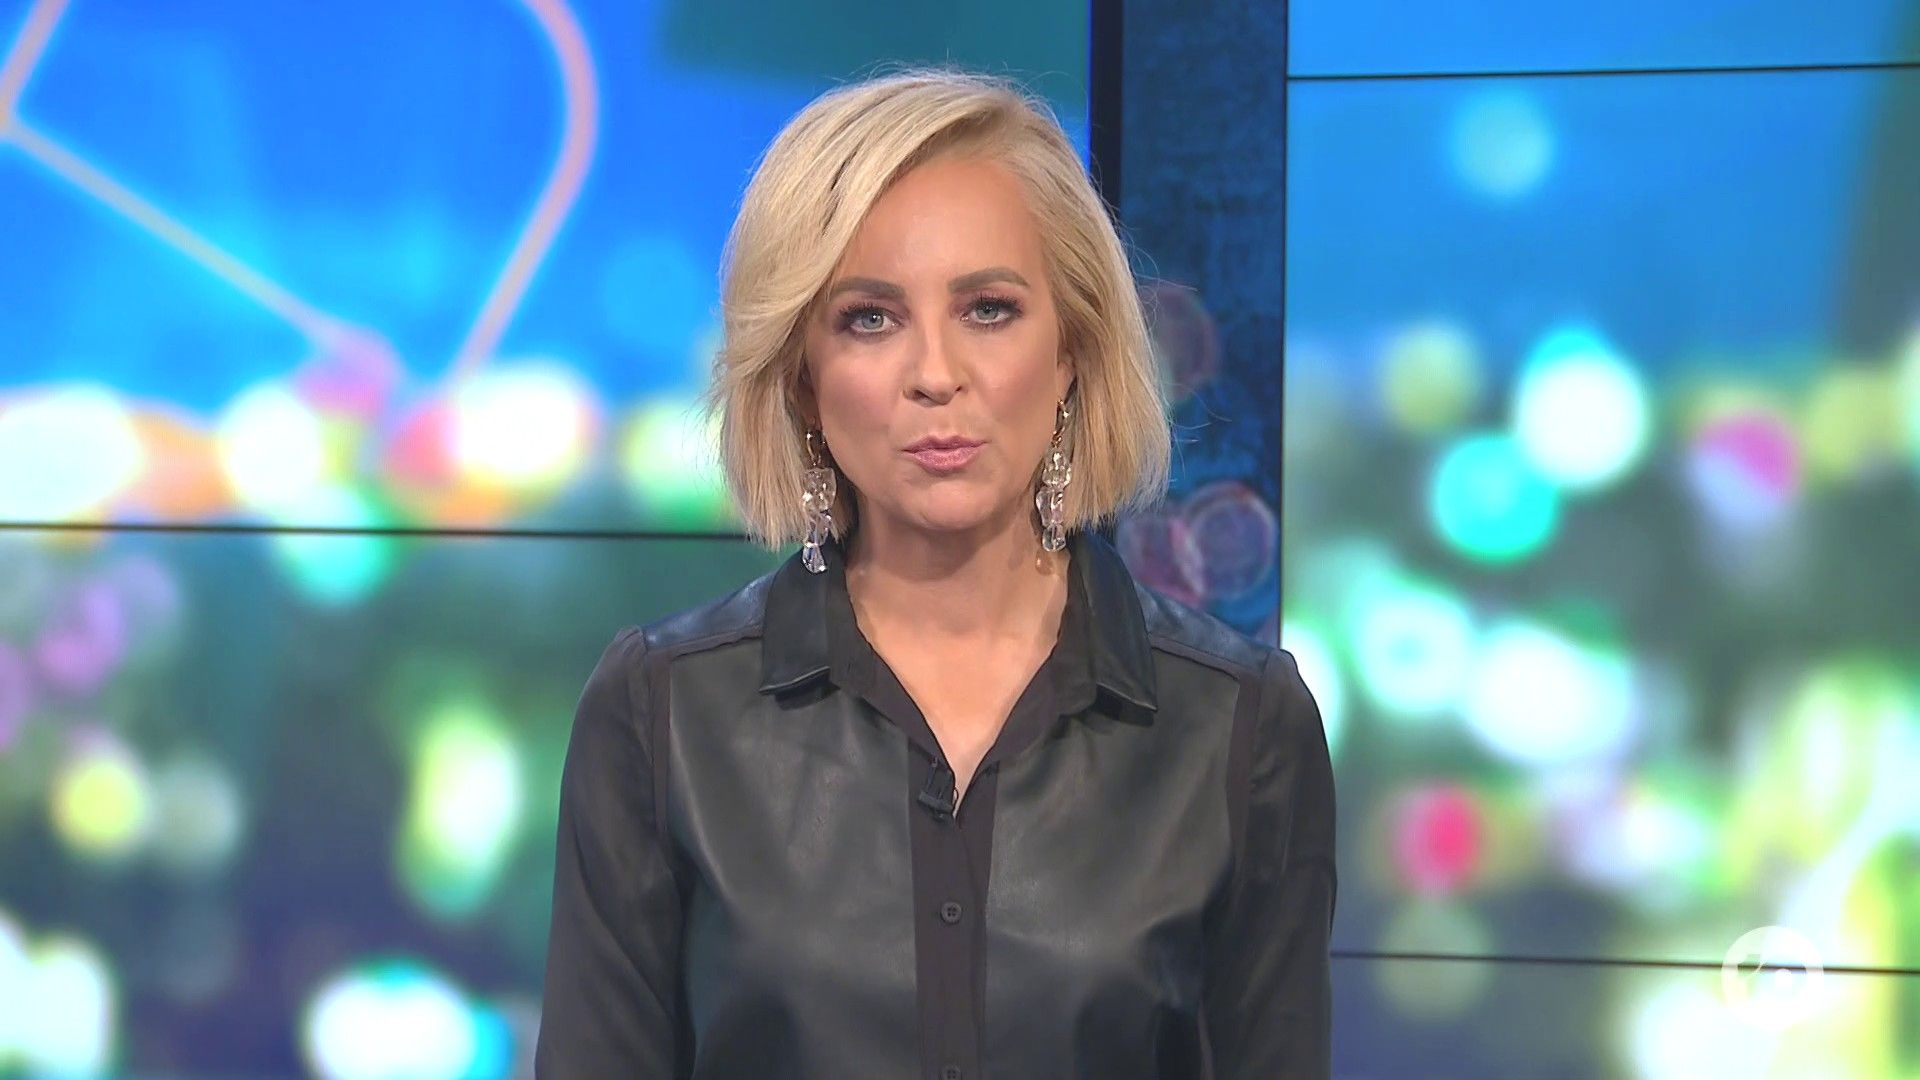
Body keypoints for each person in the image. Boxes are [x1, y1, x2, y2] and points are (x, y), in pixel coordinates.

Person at [535, 68, 1335, 1079]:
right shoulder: (661, 714)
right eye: (870, 318)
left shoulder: (1238, 725)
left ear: (1072, 352)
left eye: (989, 309)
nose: (935, 374)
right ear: (803, 377)